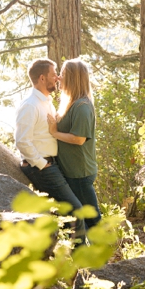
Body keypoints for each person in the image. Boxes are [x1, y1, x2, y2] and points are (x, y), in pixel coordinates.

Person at [14, 57, 83, 226]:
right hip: (41, 168)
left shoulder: (46, 103)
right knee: (76, 212)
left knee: (64, 216)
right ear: (42, 78)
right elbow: (22, 141)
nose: (57, 78)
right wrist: (42, 164)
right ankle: (82, 253)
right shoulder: (30, 105)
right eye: (53, 74)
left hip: (50, 165)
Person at [47, 58, 101, 231]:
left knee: (92, 218)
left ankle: (106, 256)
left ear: (72, 78)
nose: (58, 78)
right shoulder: (72, 103)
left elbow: (79, 139)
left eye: (62, 75)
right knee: (79, 216)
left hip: (80, 173)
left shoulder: (82, 106)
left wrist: (54, 132)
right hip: (73, 170)